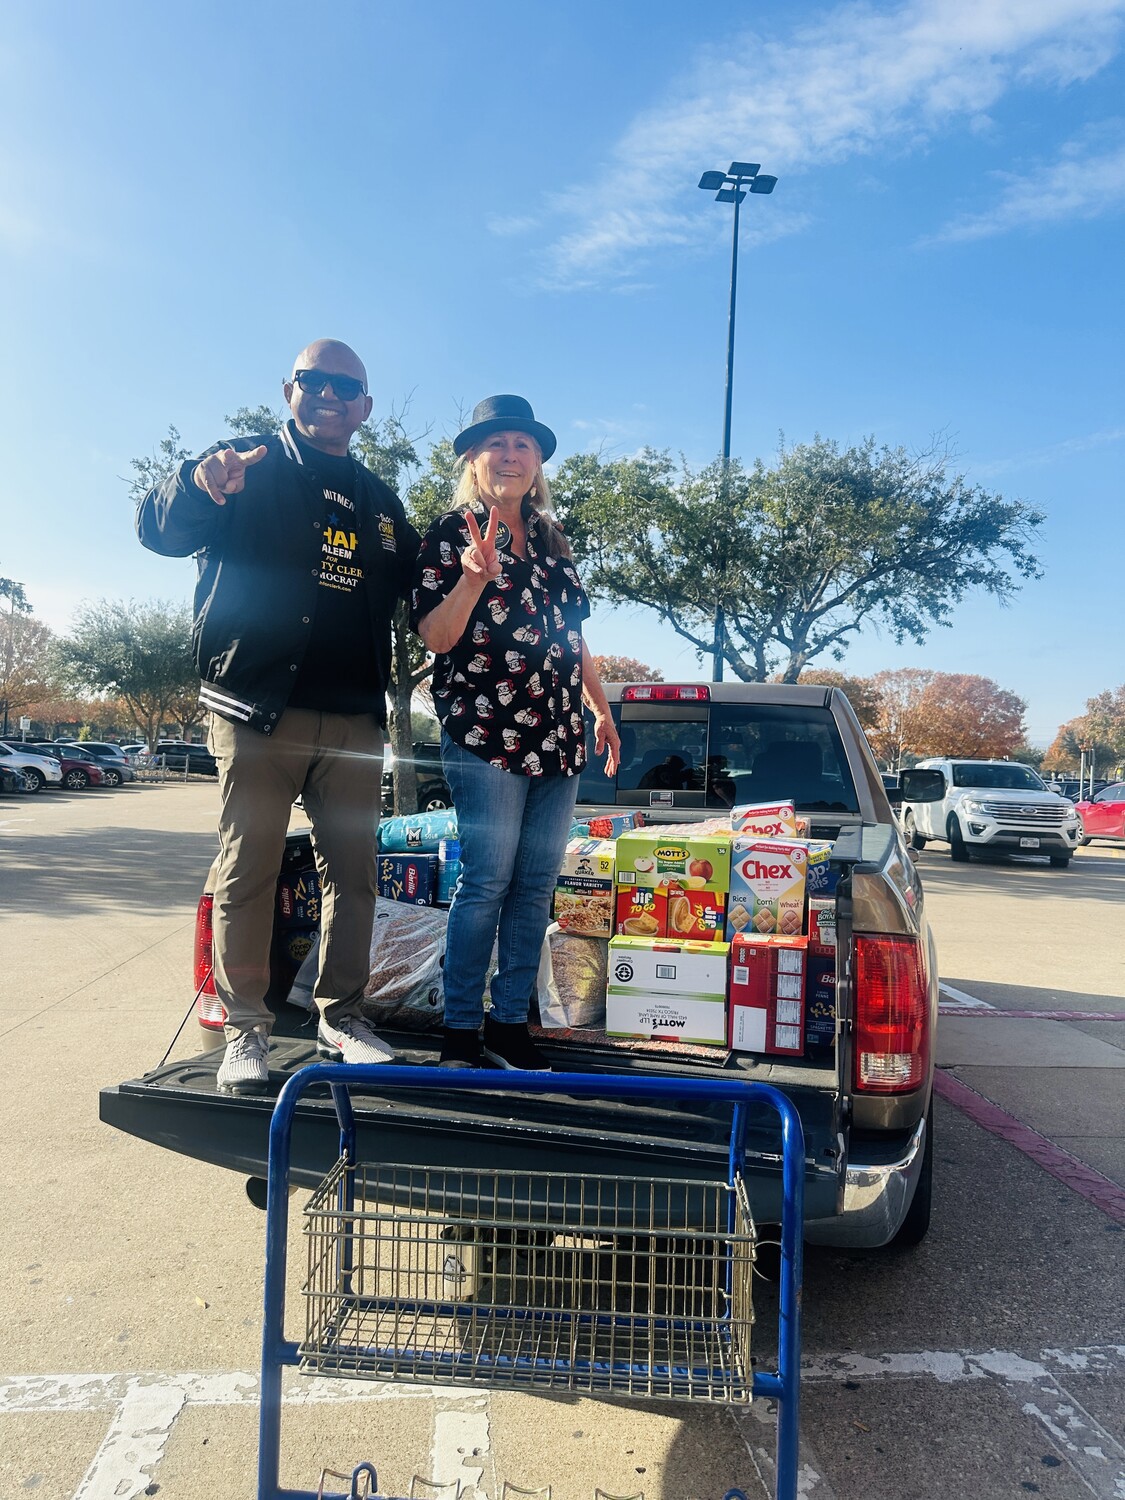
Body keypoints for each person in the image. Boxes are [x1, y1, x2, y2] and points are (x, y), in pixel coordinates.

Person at [137, 339, 419, 1094]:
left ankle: (343, 1016)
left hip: (355, 721)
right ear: (289, 390)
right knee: (248, 870)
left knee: (355, 876)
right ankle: (246, 1030)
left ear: (364, 406)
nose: (329, 393)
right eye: (313, 381)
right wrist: (198, 487)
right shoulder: (244, 467)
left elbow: (426, 594)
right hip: (258, 708)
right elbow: (160, 531)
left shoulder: (381, 503)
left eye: (346, 386)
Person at [412, 395, 620, 1070]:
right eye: (496, 443)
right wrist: (473, 579)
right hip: (485, 733)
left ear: (536, 464)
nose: (510, 455)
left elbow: (574, 638)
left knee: (535, 886)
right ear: (473, 459)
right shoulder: (451, 533)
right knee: (487, 882)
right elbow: (437, 637)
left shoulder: (553, 542)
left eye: (522, 445)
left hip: (557, 733)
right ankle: (459, 1032)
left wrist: (601, 707)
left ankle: (508, 1028)